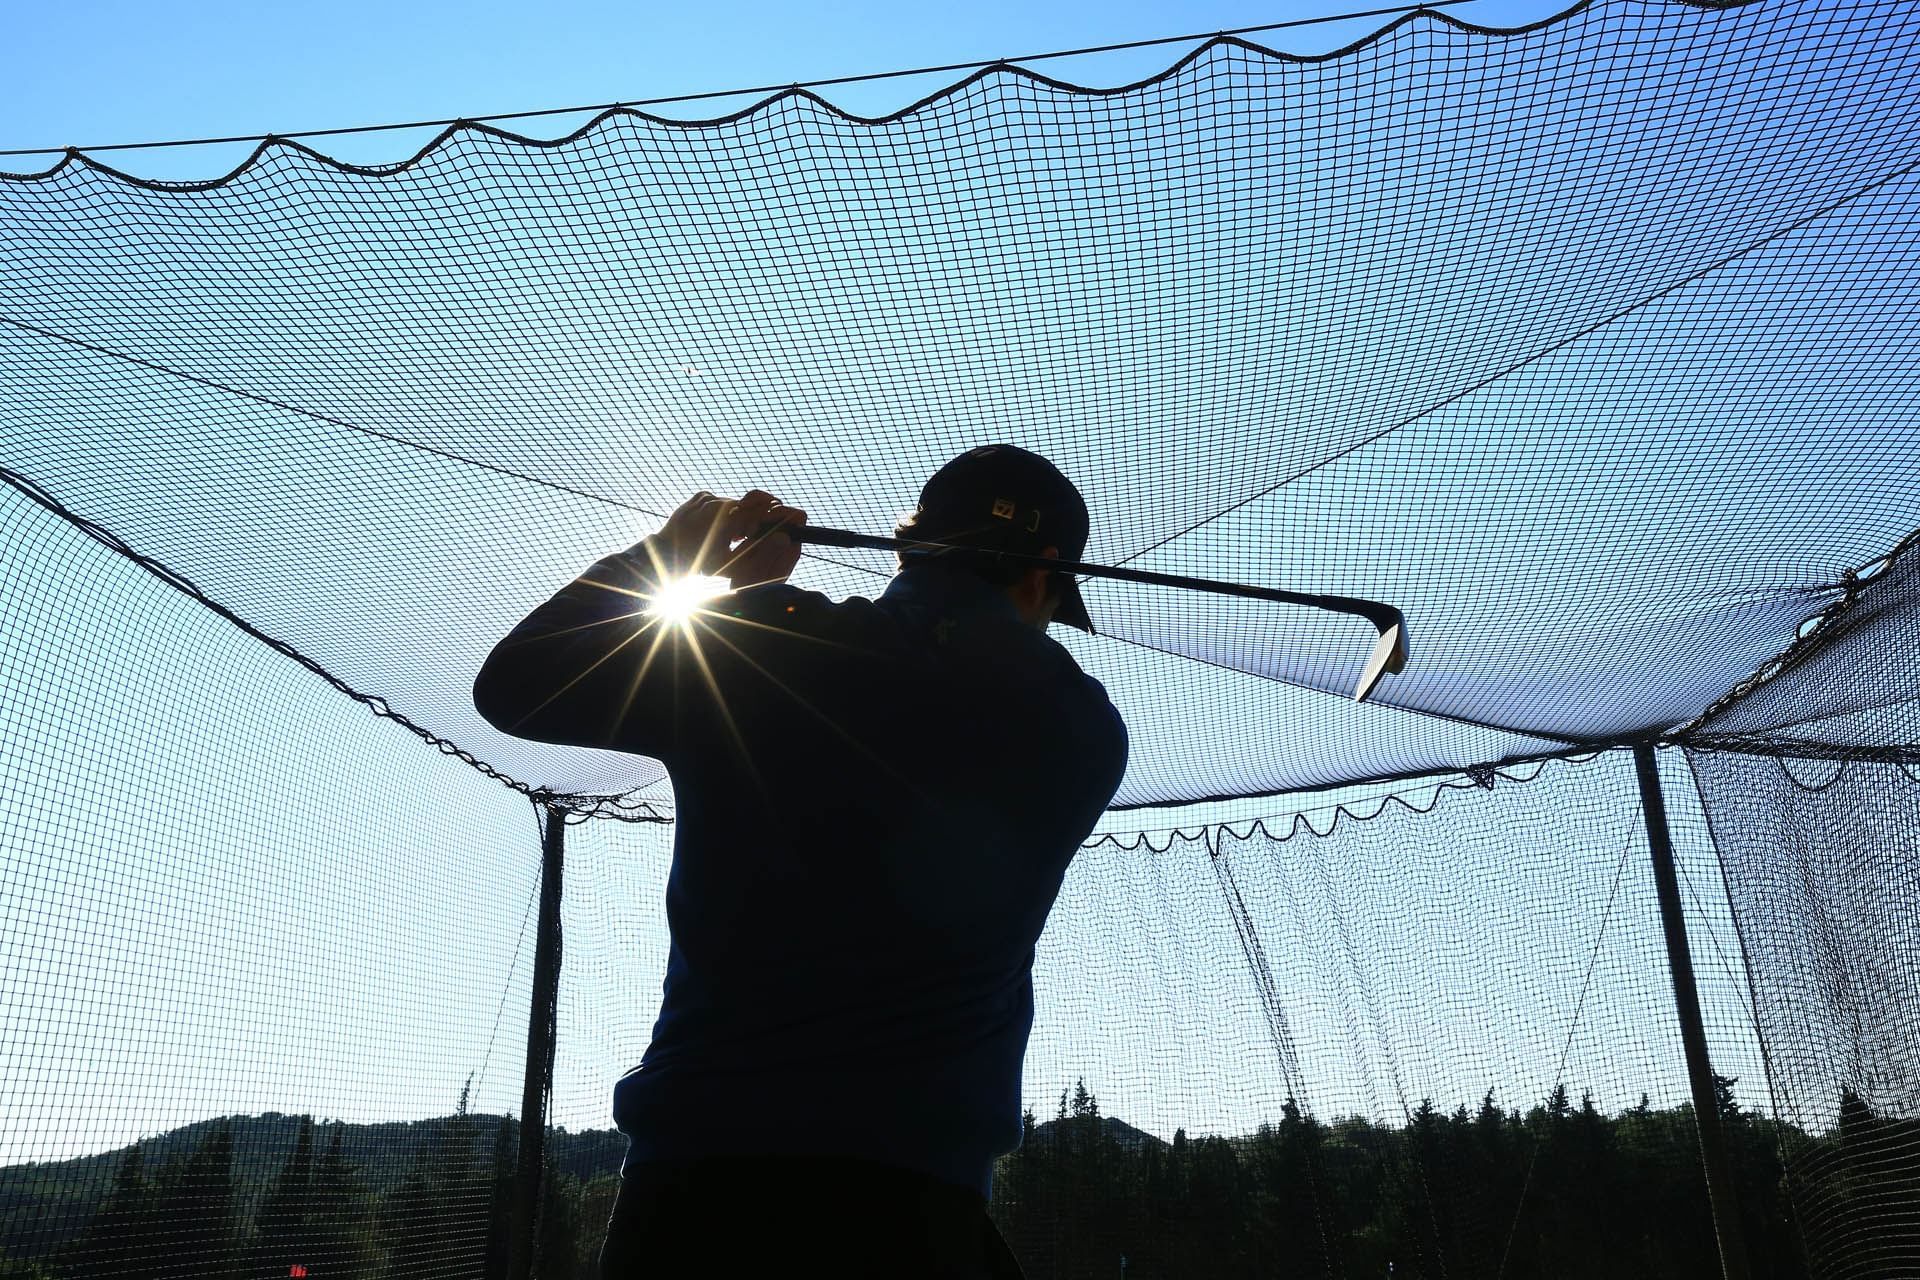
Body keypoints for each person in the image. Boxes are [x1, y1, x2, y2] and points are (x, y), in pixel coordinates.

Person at [472, 444, 1129, 1277]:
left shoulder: (761, 643)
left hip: (698, 1200)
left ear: (907, 546)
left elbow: (517, 683)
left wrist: (678, 560)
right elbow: (940, 692)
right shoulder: (1087, 731)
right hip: (918, 1208)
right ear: (1044, 570)